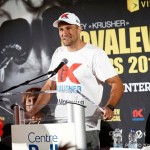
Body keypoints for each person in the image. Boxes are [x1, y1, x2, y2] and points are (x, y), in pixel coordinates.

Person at [27, 12, 124, 149]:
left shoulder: (94, 54)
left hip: (86, 125)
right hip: (61, 125)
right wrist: (32, 112)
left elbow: (117, 84)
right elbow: (50, 85)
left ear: (79, 29)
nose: (64, 33)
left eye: (68, 28)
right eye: (61, 29)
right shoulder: (59, 53)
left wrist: (110, 106)